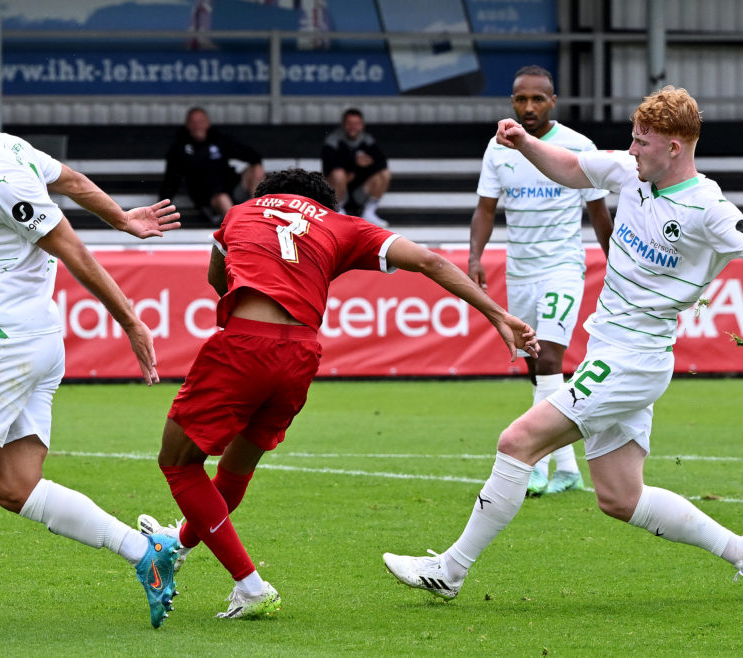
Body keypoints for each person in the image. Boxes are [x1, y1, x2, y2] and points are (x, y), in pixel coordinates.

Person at [384, 86, 743, 605]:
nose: (631, 149)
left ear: (675, 147)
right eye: (632, 138)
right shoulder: (631, 172)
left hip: (635, 360)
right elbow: (572, 166)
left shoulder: (708, 206)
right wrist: (522, 143)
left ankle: (451, 569)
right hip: (610, 349)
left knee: (516, 442)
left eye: (642, 142)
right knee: (620, 497)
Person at [140, 168, 538, 620]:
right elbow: (430, 262)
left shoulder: (240, 212)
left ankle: (251, 586)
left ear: (266, 195)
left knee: (177, 462)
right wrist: (496, 313)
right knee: (234, 472)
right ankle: (176, 545)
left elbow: (219, 281)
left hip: (245, 344)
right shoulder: (340, 224)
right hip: (300, 355)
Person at [0, 61, 183, 634]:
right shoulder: (11, 149)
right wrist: (123, 217)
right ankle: (147, 554)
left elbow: (73, 251)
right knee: (16, 487)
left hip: (8, 342)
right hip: (38, 340)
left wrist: (132, 322)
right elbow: (70, 180)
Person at [470, 65, 614, 496]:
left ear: (553, 101)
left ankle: (533, 460)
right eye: (520, 99)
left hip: (563, 267)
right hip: (521, 270)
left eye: (537, 99)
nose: (528, 107)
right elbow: (485, 209)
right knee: (535, 365)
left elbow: (599, 213)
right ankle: (567, 468)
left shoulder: (577, 146)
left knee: (550, 358)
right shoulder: (498, 149)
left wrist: (620, 267)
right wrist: (476, 256)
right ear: (511, 102)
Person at [159, 107, 265, 226]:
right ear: (187, 125)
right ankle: (241, 229)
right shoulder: (180, 149)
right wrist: (162, 206)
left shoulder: (219, 140)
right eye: (193, 122)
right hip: (209, 197)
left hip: (232, 187)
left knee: (257, 170)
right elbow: (171, 179)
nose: (197, 125)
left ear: (207, 123)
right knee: (222, 198)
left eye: (200, 122)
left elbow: (252, 156)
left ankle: (256, 215)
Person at [321, 108, 391, 227]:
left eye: (356, 124)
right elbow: (329, 166)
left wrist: (359, 169)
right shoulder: (333, 140)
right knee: (338, 174)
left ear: (362, 125)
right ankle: (338, 212)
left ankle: (369, 213)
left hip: (360, 191)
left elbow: (382, 162)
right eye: (349, 123)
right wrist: (354, 161)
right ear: (343, 124)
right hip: (337, 191)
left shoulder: (367, 140)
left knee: (385, 173)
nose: (353, 127)